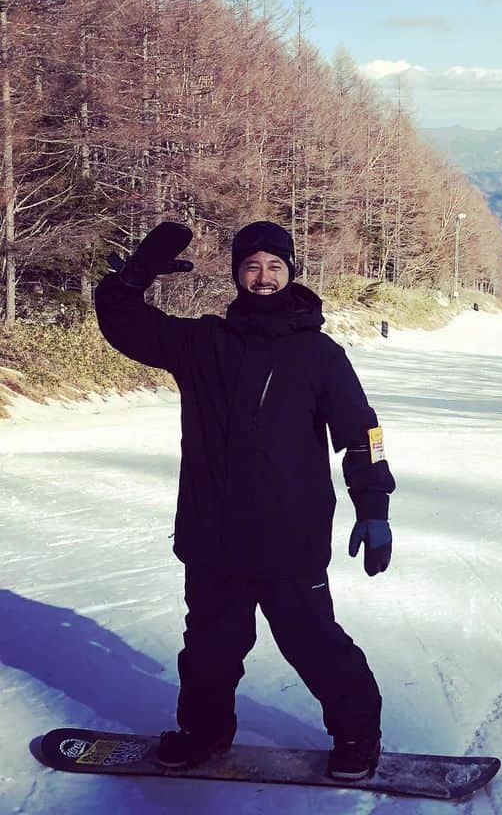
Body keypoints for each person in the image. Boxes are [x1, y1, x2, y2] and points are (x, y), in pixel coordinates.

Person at [94, 220, 394, 781]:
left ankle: (358, 734)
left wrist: (373, 508)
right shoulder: (202, 343)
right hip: (214, 535)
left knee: (314, 645)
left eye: (274, 266)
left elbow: (362, 434)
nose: (262, 277)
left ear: (290, 272)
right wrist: (130, 279)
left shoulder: (319, 354)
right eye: (252, 266)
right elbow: (125, 324)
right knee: (208, 649)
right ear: (237, 274)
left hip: (290, 536)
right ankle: (204, 732)